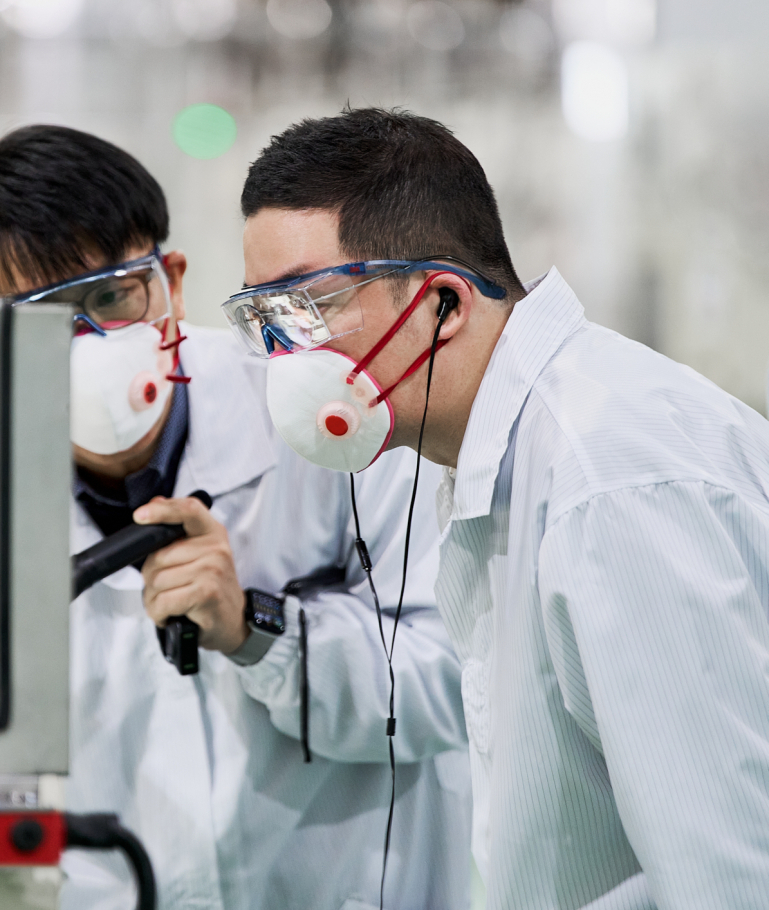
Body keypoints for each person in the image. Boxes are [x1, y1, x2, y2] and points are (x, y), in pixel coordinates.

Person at [0, 125, 472, 910]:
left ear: (168, 280)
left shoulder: (330, 415)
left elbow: (453, 681)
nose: (91, 343)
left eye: (112, 296)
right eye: (39, 319)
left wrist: (260, 629)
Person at [230, 107, 769, 909]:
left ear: (443, 302)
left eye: (311, 305)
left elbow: (727, 872)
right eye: (266, 317)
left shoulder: (608, 476)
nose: (287, 354)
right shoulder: (495, 457)